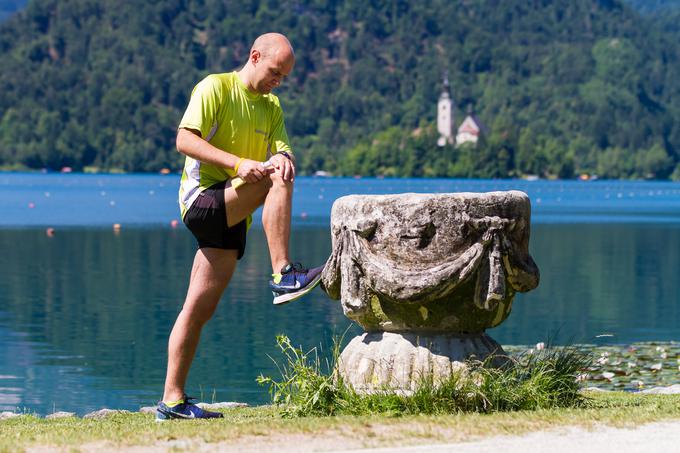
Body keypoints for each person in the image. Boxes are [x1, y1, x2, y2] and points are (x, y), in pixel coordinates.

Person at [156, 33, 324, 421]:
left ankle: (171, 401)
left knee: (197, 310)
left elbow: (283, 148)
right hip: (201, 199)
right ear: (254, 56)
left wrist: (284, 156)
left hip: (232, 212)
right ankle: (283, 273)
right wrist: (237, 163)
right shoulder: (215, 87)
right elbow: (183, 139)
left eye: (283, 77)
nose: (277, 81)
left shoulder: (271, 107)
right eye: (274, 72)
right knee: (275, 179)